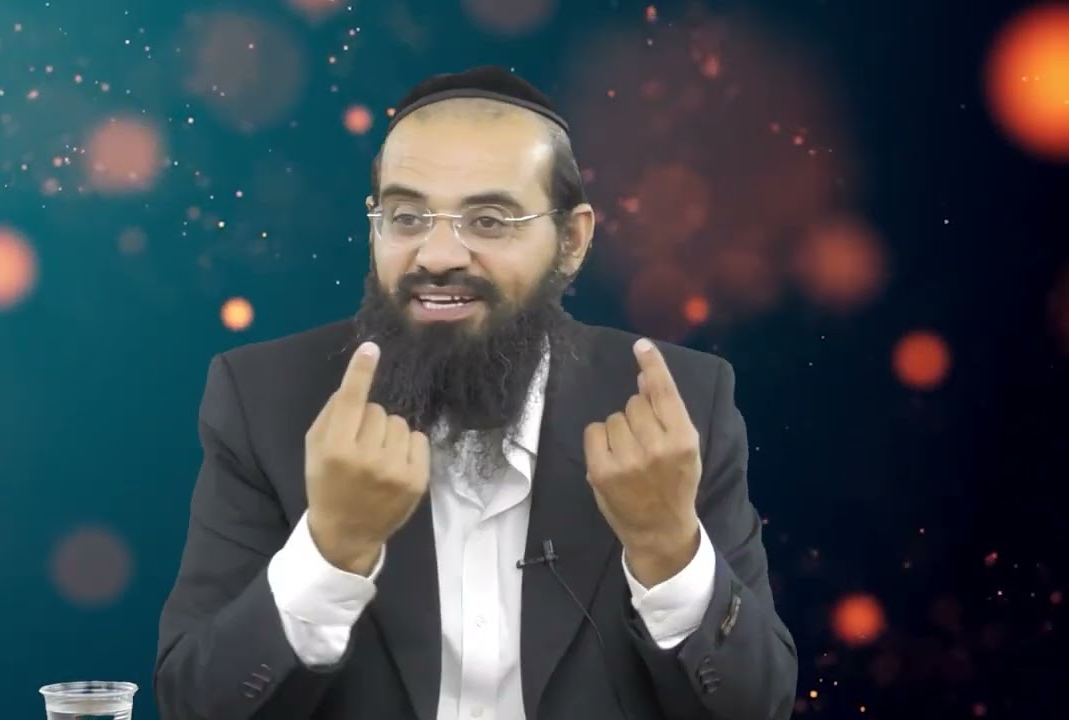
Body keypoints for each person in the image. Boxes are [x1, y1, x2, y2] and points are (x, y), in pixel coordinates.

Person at [154, 66, 798, 720]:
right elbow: (194, 705)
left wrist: (667, 549)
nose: (437, 255)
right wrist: (331, 549)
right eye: (407, 217)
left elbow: (757, 708)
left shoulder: (677, 407)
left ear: (571, 240)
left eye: (488, 220)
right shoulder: (264, 398)